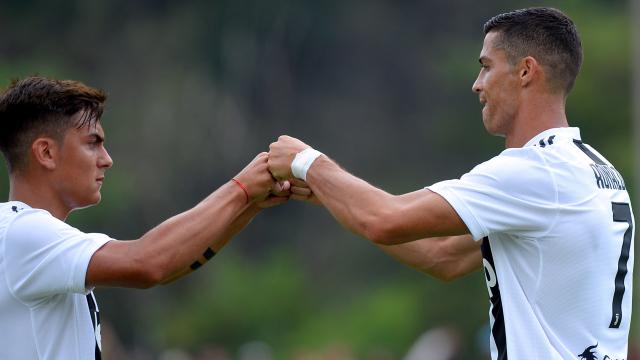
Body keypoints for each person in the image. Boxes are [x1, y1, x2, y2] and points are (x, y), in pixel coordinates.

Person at [268, 7, 634, 359]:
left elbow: (385, 220)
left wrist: (305, 161)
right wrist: (333, 194)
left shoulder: (534, 172)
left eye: (486, 67)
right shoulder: (598, 172)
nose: (477, 84)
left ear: (525, 71)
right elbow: (441, 254)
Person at [0, 76, 289, 359]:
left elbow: (171, 267)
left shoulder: (26, 236)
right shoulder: (23, 232)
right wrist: (242, 188)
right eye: (93, 142)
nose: (107, 159)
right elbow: (149, 263)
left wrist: (249, 204)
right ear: (46, 152)